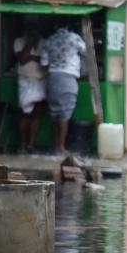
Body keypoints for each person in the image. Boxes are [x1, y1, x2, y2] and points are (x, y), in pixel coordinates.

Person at [43, 24, 85, 155]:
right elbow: (86, 51)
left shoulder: (49, 40)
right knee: (64, 114)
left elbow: (43, 62)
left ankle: (56, 145)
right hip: (68, 78)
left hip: (52, 78)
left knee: (54, 113)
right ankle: (61, 147)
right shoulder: (74, 38)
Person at [14, 22, 49, 153]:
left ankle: (31, 144)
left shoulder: (44, 42)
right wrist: (29, 44)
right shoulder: (19, 41)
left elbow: (44, 61)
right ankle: (22, 144)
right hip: (25, 80)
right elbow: (22, 59)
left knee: (36, 114)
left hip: (40, 80)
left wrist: (32, 57)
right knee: (25, 114)